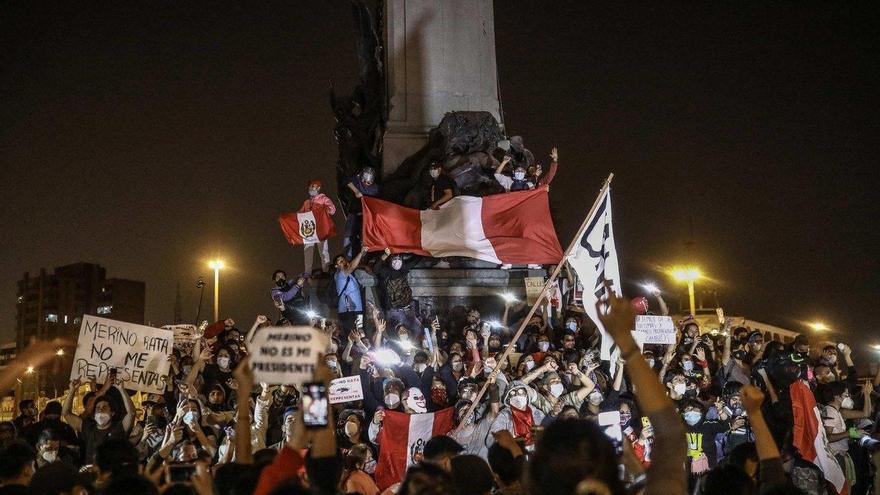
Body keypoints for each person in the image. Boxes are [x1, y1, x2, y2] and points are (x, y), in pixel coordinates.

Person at [299, 179, 337, 274]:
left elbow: (332, 210)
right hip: (309, 230)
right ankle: (307, 274)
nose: (310, 188)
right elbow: (299, 214)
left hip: (321, 229)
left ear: (318, 188)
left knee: (323, 250)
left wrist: (325, 209)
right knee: (308, 251)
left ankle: (326, 271)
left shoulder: (324, 199)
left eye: (313, 186)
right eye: (310, 186)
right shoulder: (307, 202)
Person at [345, 166, 380, 257]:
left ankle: (363, 255)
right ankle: (347, 254)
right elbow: (348, 181)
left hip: (366, 215)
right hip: (354, 212)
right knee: (348, 235)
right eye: (364, 181)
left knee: (364, 235)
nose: (366, 183)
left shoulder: (375, 189)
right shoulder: (357, 181)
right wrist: (356, 191)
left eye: (369, 182)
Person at [333, 246, 369, 334]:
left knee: (361, 334)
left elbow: (352, 267)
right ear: (336, 266)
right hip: (348, 312)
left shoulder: (348, 275)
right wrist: (361, 253)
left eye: (343, 259)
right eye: (339, 260)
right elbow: (352, 267)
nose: (341, 260)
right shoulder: (339, 275)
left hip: (357, 310)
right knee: (352, 335)